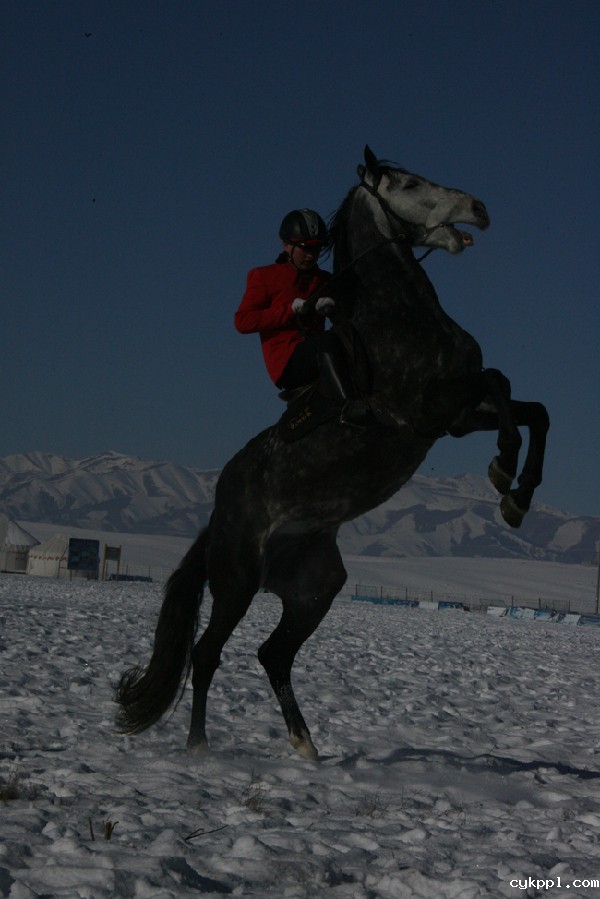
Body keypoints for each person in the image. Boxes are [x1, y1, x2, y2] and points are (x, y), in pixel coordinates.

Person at [234, 208, 371, 428]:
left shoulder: (326, 280)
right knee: (327, 341)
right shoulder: (264, 276)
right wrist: (289, 311)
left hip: (321, 353)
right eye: (305, 248)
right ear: (287, 246)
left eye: (316, 249)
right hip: (287, 364)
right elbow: (242, 321)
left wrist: (334, 312)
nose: (311, 255)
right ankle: (348, 407)